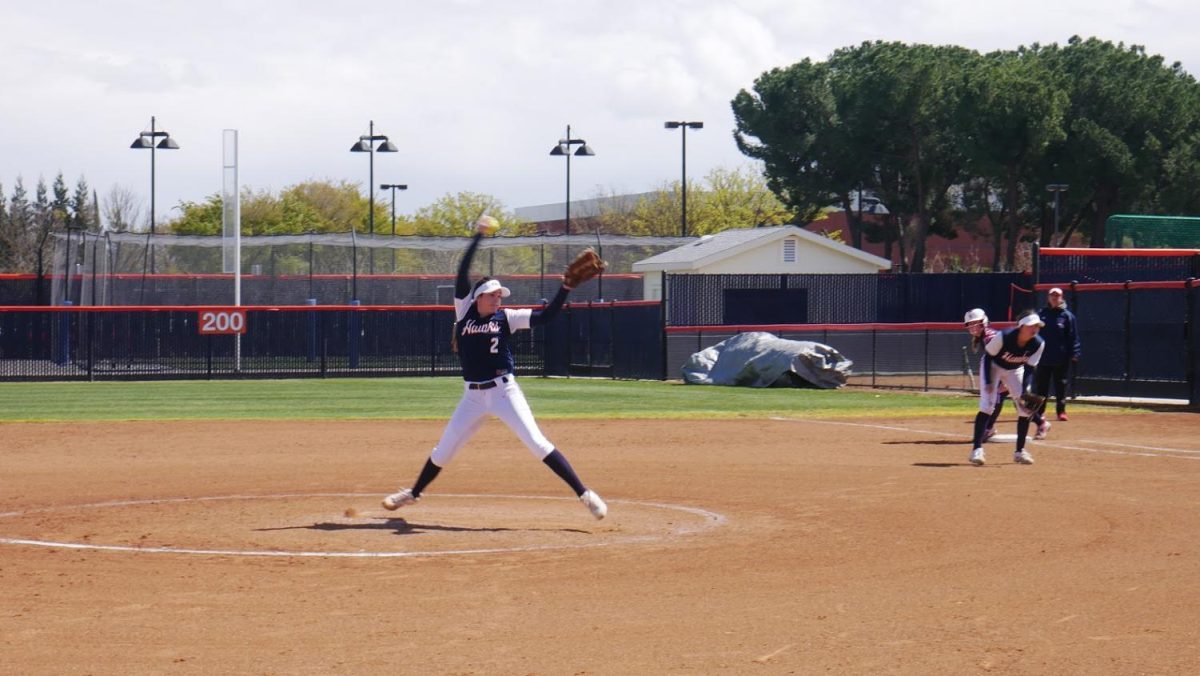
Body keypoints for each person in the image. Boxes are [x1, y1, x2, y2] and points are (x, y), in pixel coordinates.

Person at [381, 217, 607, 520]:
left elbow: (546, 316)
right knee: (442, 452)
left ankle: (585, 494)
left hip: (504, 392)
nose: (499, 299)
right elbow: (462, 272)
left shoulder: (507, 318)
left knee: (538, 443)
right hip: (472, 397)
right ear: (479, 297)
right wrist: (478, 236)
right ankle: (413, 493)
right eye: (494, 295)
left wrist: (565, 288)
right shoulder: (463, 311)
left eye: (500, 296)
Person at [966, 309, 1046, 466]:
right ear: (1021, 326)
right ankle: (977, 450)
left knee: (1025, 408)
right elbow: (989, 358)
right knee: (987, 406)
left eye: (1037, 326)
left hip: (1015, 369)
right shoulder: (1005, 336)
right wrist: (989, 382)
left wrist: (1025, 390)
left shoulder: (1038, 343)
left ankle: (1020, 451)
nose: (1034, 329)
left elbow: (1029, 368)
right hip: (993, 366)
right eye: (1031, 325)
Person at [1036, 287, 1081, 421]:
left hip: (1061, 358)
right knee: (1041, 387)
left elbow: (1073, 336)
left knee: (1061, 386)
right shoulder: (1040, 314)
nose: (1055, 298)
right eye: (1052, 296)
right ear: (1048, 297)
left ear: (1062, 298)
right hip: (1043, 357)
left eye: (1057, 296)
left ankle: (1061, 411)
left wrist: (1075, 352)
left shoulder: (1067, 316)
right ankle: (1039, 412)